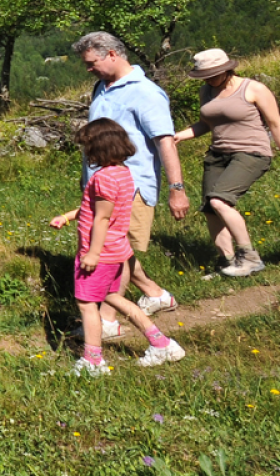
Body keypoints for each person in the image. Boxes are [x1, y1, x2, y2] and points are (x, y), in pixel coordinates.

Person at [73, 31, 188, 339]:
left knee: (112, 252)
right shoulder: (102, 87)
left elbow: (165, 141)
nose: (88, 69)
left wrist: (176, 189)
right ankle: (155, 294)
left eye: (91, 62)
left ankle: (108, 321)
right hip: (99, 185)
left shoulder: (145, 92)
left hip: (130, 185)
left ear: (112, 54)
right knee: (117, 250)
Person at [50, 118, 185, 376]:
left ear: (99, 148)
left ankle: (93, 361)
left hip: (100, 253)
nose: (85, 152)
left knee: (87, 304)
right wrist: (68, 216)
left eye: (87, 147)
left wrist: (92, 253)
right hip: (117, 251)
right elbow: (97, 208)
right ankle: (162, 344)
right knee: (113, 298)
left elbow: (102, 218)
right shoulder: (122, 173)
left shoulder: (102, 179)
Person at [173, 48, 280, 277]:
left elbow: (275, 123)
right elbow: (206, 124)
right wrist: (181, 135)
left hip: (251, 152)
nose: (209, 79)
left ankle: (249, 257)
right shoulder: (206, 91)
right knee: (211, 209)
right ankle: (227, 262)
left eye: (213, 74)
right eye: (204, 76)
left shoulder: (253, 89)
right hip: (218, 155)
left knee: (220, 200)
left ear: (227, 69)